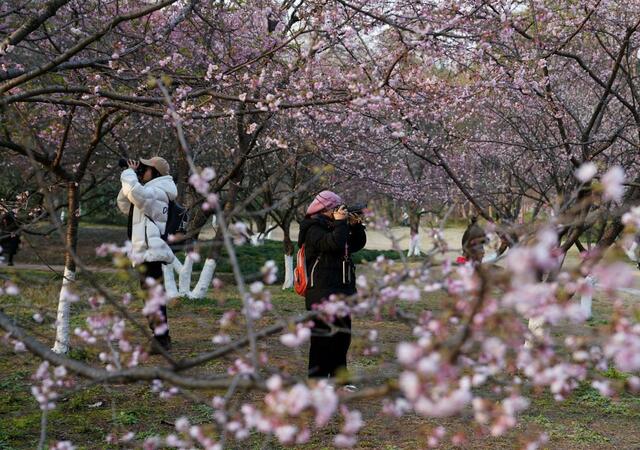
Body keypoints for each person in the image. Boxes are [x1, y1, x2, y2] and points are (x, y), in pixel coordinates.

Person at [297, 190, 367, 382]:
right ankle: (318, 379)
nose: (338, 211)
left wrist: (356, 227)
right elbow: (333, 244)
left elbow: (354, 245)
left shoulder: (335, 225)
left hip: (342, 288)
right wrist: (340, 223)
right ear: (324, 209)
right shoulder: (312, 227)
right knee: (322, 339)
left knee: (341, 338)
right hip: (321, 290)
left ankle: (340, 378)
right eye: (335, 208)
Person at [117, 157, 177, 352]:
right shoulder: (151, 191)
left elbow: (135, 193)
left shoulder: (158, 191)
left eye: (146, 168)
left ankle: (161, 340)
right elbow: (126, 204)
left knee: (153, 296)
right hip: (146, 251)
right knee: (151, 295)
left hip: (152, 251)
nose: (142, 170)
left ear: (156, 172)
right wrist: (131, 177)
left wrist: (130, 174)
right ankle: (161, 337)